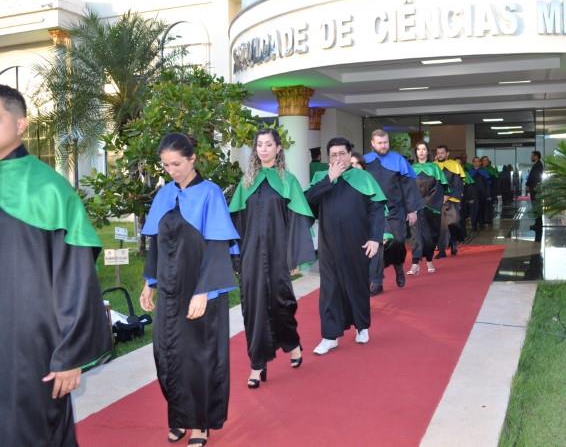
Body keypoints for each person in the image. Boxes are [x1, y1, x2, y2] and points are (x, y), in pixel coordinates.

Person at [0, 84, 112, 446]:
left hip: (30, 346)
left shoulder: (50, 190)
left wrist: (71, 354)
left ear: (21, 124)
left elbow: (76, 279)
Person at [140, 133, 238, 446]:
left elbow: (217, 247)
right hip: (169, 291)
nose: (172, 171)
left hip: (200, 289)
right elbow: (156, 242)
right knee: (166, 355)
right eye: (166, 165)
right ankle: (179, 416)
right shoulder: (164, 194)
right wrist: (149, 282)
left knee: (199, 358)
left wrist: (203, 292)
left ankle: (199, 424)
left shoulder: (210, 194)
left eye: (177, 164)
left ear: (192, 159)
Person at [229, 128, 315, 388]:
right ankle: (257, 364)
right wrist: (236, 257)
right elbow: (235, 222)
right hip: (252, 256)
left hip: (278, 255)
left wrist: (294, 256)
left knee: (282, 304)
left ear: (278, 149)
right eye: (260, 145)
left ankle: (292, 343)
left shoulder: (288, 181)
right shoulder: (246, 183)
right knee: (253, 308)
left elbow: (299, 220)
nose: (264, 149)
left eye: (269, 144)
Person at [306, 138, 386, 355]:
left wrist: (375, 238)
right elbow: (308, 201)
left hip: (358, 242)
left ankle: (362, 326)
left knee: (357, 285)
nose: (338, 158)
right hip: (328, 244)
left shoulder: (363, 177)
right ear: (328, 158)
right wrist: (329, 179)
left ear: (350, 155)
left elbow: (377, 210)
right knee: (329, 289)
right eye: (333, 155)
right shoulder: (321, 178)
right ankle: (330, 336)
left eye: (342, 153)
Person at [364, 129, 422, 296]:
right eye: (380, 143)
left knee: (397, 242)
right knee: (376, 244)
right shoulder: (365, 161)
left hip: (395, 209)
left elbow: (409, 187)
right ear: (372, 143)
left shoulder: (399, 160)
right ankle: (377, 281)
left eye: (386, 142)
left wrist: (412, 210)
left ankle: (398, 265)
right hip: (373, 210)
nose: (383, 146)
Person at [408, 141, 448, 275]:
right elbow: (408, 189)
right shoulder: (410, 169)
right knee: (416, 235)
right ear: (415, 152)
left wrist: (428, 203)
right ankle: (415, 263)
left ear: (427, 152)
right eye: (418, 149)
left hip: (431, 206)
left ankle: (429, 260)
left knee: (430, 236)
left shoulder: (434, 168)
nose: (421, 152)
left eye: (424, 149)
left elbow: (440, 188)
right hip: (415, 207)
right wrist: (413, 205)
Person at [435, 145, 469, 257]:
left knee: (453, 223)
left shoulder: (455, 165)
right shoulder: (433, 166)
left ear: (447, 153)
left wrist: (448, 195)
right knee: (440, 226)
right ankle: (442, 250)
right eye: (438, 153)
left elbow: (458, 184)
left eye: (442, 153)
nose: (440, 155)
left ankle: (453, 242)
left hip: (452, 200)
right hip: (437, 201)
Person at [468, 157, 491, 231]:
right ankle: (474, 225)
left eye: (478, 161)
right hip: (473, 194)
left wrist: (488, 194)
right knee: (473, 210)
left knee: (482, 208)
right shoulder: (469, 172)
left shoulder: (484, 172)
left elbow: (488, 183)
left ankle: (481, 223)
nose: (476, 163)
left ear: (480, 163)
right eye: (474, 161)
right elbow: (467, 184)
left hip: (482, 194)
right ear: (472, 163)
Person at [527, 150, 545, 234]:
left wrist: (528, 184)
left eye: (532, 156)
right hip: (534, 188)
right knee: (536, 206)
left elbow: (534, 177)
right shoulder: (537, 165)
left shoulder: (538, 165)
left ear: (536, 157)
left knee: (536, 206)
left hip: (535, 189)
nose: (531, 157)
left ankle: (538, 224)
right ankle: (537, 223)